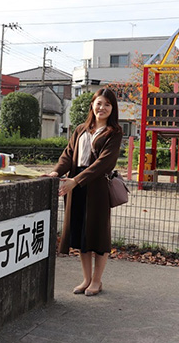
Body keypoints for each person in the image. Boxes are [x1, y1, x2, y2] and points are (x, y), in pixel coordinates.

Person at [44, 88, 122, 296]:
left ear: (112, 108)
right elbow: (68, 155)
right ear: (92, 105)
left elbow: (104, 163)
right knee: (80, 233)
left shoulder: (114, 133)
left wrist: (76, 180)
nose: (102, 107)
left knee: (97, 233)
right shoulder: (80, 129)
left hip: (96, 187)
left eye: (107, 104)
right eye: (99, 103)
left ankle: (97, 280)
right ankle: (86, 279)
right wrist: (56, 172)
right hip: (74, 184)